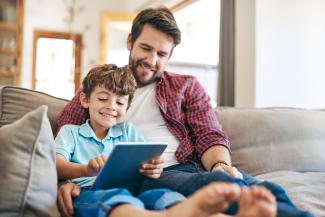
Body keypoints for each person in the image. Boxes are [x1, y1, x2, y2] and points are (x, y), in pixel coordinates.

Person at [56, 7, 314, 217]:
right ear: (130, 42)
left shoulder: (186, 86)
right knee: (222, 186)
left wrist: (221, 164)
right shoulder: (104, 87)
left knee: (263, 187)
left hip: (192, 166)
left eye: (161, 54)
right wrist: (69, 181)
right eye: (146, 48)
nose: (152, 60)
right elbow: (65, 137)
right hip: (154, 176)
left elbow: (208, 134)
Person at [54, 63, 276, 217]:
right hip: (87, 192)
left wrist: (153, 167)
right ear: (84, 99)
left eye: (120, 103)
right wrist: (84, 170)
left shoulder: (128, 131)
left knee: (162, 195)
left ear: (127, 107)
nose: (112, 107)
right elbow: (55, 164)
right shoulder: (71, 133)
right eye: (103, 99)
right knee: (114, 199)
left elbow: (149, 162)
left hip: (137, 189)